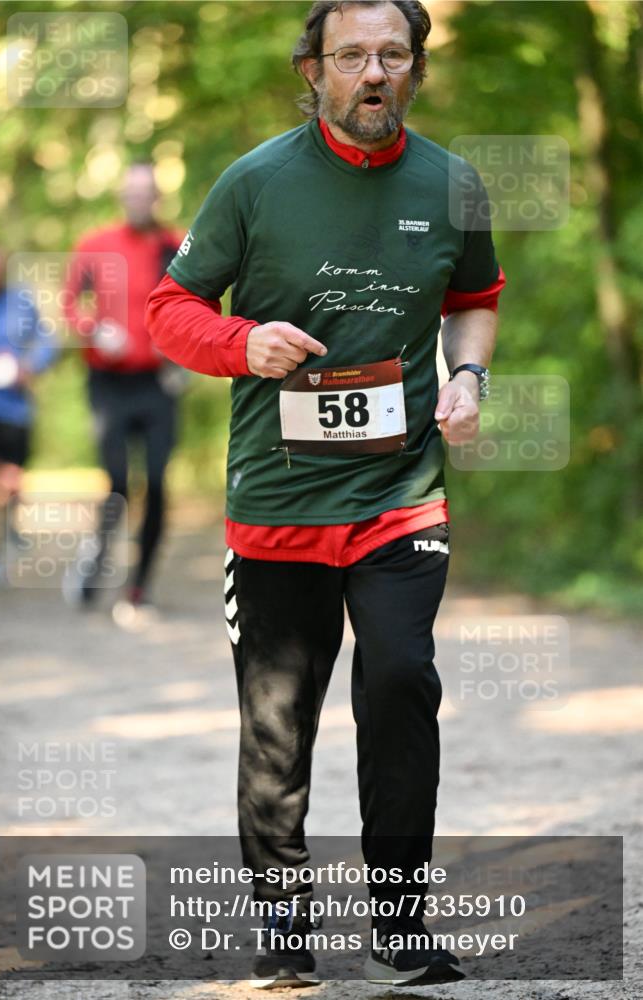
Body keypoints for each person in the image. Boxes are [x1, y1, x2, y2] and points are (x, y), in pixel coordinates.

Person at [147, 0, 505, 988]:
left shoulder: (451, 182)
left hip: (401, 498)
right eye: (350, 55)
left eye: (392, 52)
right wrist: (240, 342)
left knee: (399, 681)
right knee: (278, 718)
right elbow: (168, 307)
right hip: (277, 504)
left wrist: (468, 380)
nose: (372, 71)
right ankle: (284, 927)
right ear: (314, 70)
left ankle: (398, 921)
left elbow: (475, 299)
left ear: (417, 68)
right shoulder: (254, 183)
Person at [63, 163, 183, 626]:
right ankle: (95, 558)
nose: (139, 201)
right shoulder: (95, 246)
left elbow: (196, 302)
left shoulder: (174, 245)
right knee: (116, 482)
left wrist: (182, 357)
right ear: (121, 197)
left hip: (157, 384)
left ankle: (138, 589)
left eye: (146, 193)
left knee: (156, 482)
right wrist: (94, 329)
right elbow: (70, 305)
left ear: (156, 198)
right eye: (131, 193)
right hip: (108, 383)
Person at [0, 243, 57, 589]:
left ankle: (11, 522)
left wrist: (31, 366)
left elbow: (48, 342)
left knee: (8, 483)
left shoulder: (21, 301)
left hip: (14, 409)